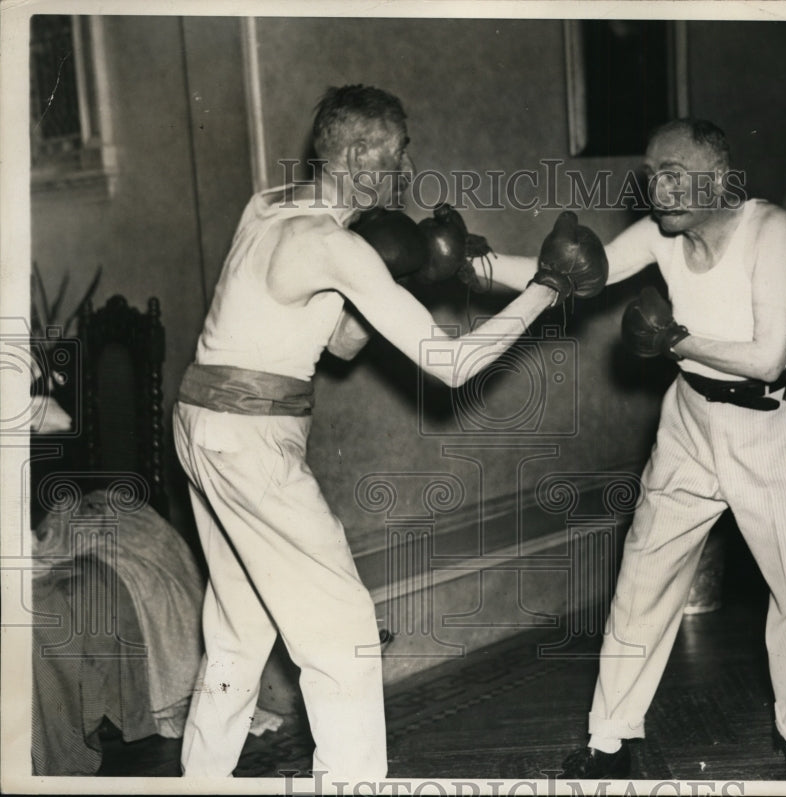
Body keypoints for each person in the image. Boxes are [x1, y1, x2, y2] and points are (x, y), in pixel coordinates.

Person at [172, 84, 606, 782]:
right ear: (356, 156)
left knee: (239, 632)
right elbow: (456, 366)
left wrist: (410, 274)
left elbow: (340, 343)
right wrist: (546, 290)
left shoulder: (270, 205)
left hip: (202, 428)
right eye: (398, 154)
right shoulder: (331, 246)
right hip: (250, 445)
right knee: (345, 642)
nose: (406, 169)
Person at [473, 118, 786, 780]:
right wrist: (482, 262)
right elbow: (575, 276)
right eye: (653, 175)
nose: (660, 190)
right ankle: (608, 737)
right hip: (692, 422)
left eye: (675, 174)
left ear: (720, 181)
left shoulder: (770, 228)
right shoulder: (659, 234)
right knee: (642, 574)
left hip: (773, 429)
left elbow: (761, 357)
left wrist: (675, 337)